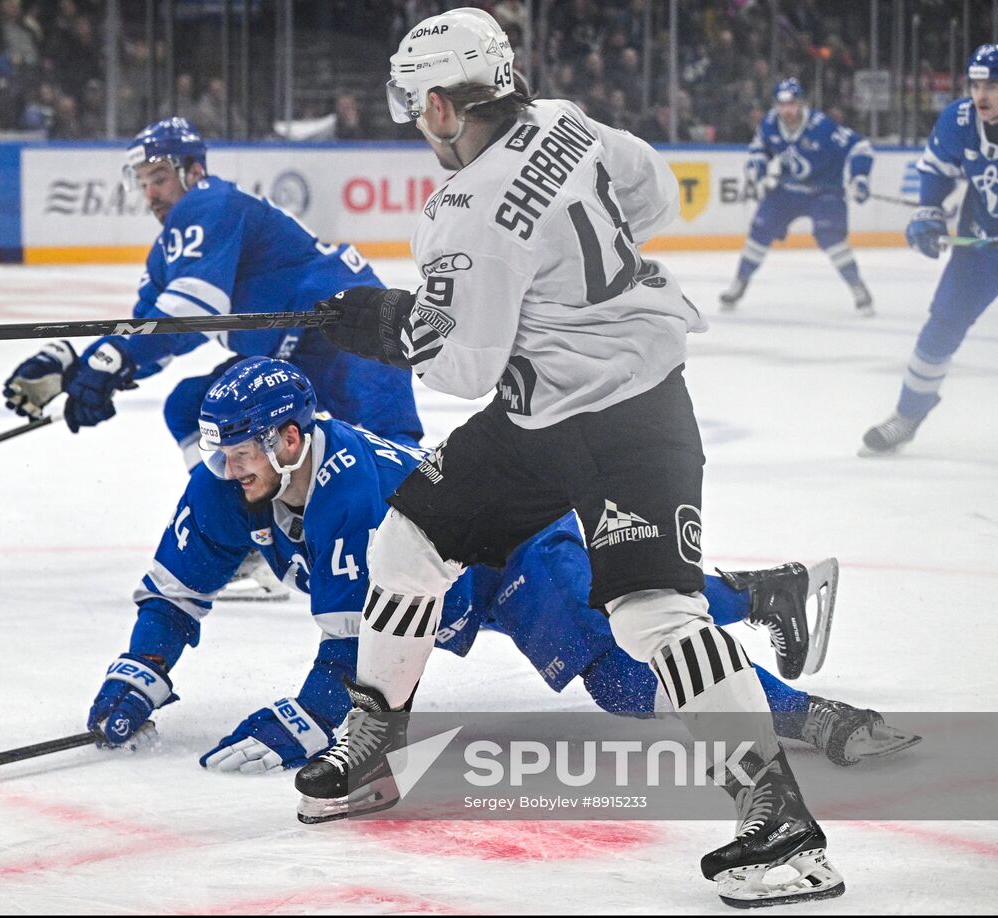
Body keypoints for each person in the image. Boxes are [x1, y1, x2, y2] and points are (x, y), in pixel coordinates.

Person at [300, 9, 843, 907]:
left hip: (624, 420)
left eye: (414, 105)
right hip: (545, 413)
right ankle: (376, 744)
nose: (417, 124)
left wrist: (391, 324)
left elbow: (465, 367)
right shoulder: (564, 120)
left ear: (439, 105)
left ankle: (780, 823)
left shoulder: (463, 212)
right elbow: (656, 197)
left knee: (654, 615)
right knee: (411, 538)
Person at [85, 358, 917, 777]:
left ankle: (816, 717)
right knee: (631, 607)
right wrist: (139, 674)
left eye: (238, 454)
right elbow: (173, 595)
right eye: (219, 454)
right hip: (449, 582)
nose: (225, 471)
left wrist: (302, 723)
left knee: (624, 674)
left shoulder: (346, 490)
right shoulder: (229, 484)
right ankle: (767, 592)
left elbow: (352, 657)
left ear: (289, 439)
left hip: (513, 551)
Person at [1, 117, 422, 462]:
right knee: (189, 407)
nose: (150, 193)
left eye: (159, 178)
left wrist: (110, 363)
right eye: (142, 182)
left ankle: (424, 535)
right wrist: (78, 368)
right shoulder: (168, 254)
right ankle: (244, 526)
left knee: (392, 455)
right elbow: (152, 335)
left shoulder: (209, 202)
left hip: (348, 334)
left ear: (194, 171)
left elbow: (190, 309)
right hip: (291, 358)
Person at [860, 45, 998, 456]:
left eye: (992, 85)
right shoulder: (960, 120)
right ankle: (908, 415)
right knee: (942, 327)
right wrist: (929, 213)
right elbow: (938, 172)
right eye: (976, 85)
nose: (982, 95)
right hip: (980, 247)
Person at [719, 78, 876, 316]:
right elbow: (759, 149)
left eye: (792, 104)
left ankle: (857, 286)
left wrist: (859, 177)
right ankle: (739, 283)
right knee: (760, 230)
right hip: (787, 191)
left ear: (802, 104)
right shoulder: (770, 123)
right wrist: (757, 170)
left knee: (830, 237)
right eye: (782, 105)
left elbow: (860, 147)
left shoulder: (822, 127)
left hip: (825, 192)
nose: (787, 110)